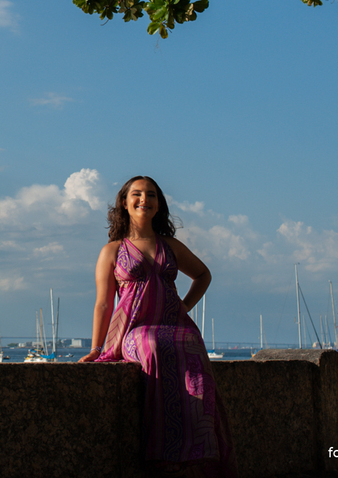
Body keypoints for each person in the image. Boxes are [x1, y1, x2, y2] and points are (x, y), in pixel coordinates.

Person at [79, 175, 237, 477]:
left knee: (190, 343)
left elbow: (203, 275)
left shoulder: (171, 246)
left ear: (159, 204)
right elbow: (103, 304)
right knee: (151, 344)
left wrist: (185, 306)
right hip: (133, 332)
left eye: (151, 194)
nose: (144, 199)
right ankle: (164, 452)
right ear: (124, 203)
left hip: (174, 325)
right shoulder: (112, 251)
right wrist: (97, 348)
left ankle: (199, 450)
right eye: (137, 194)